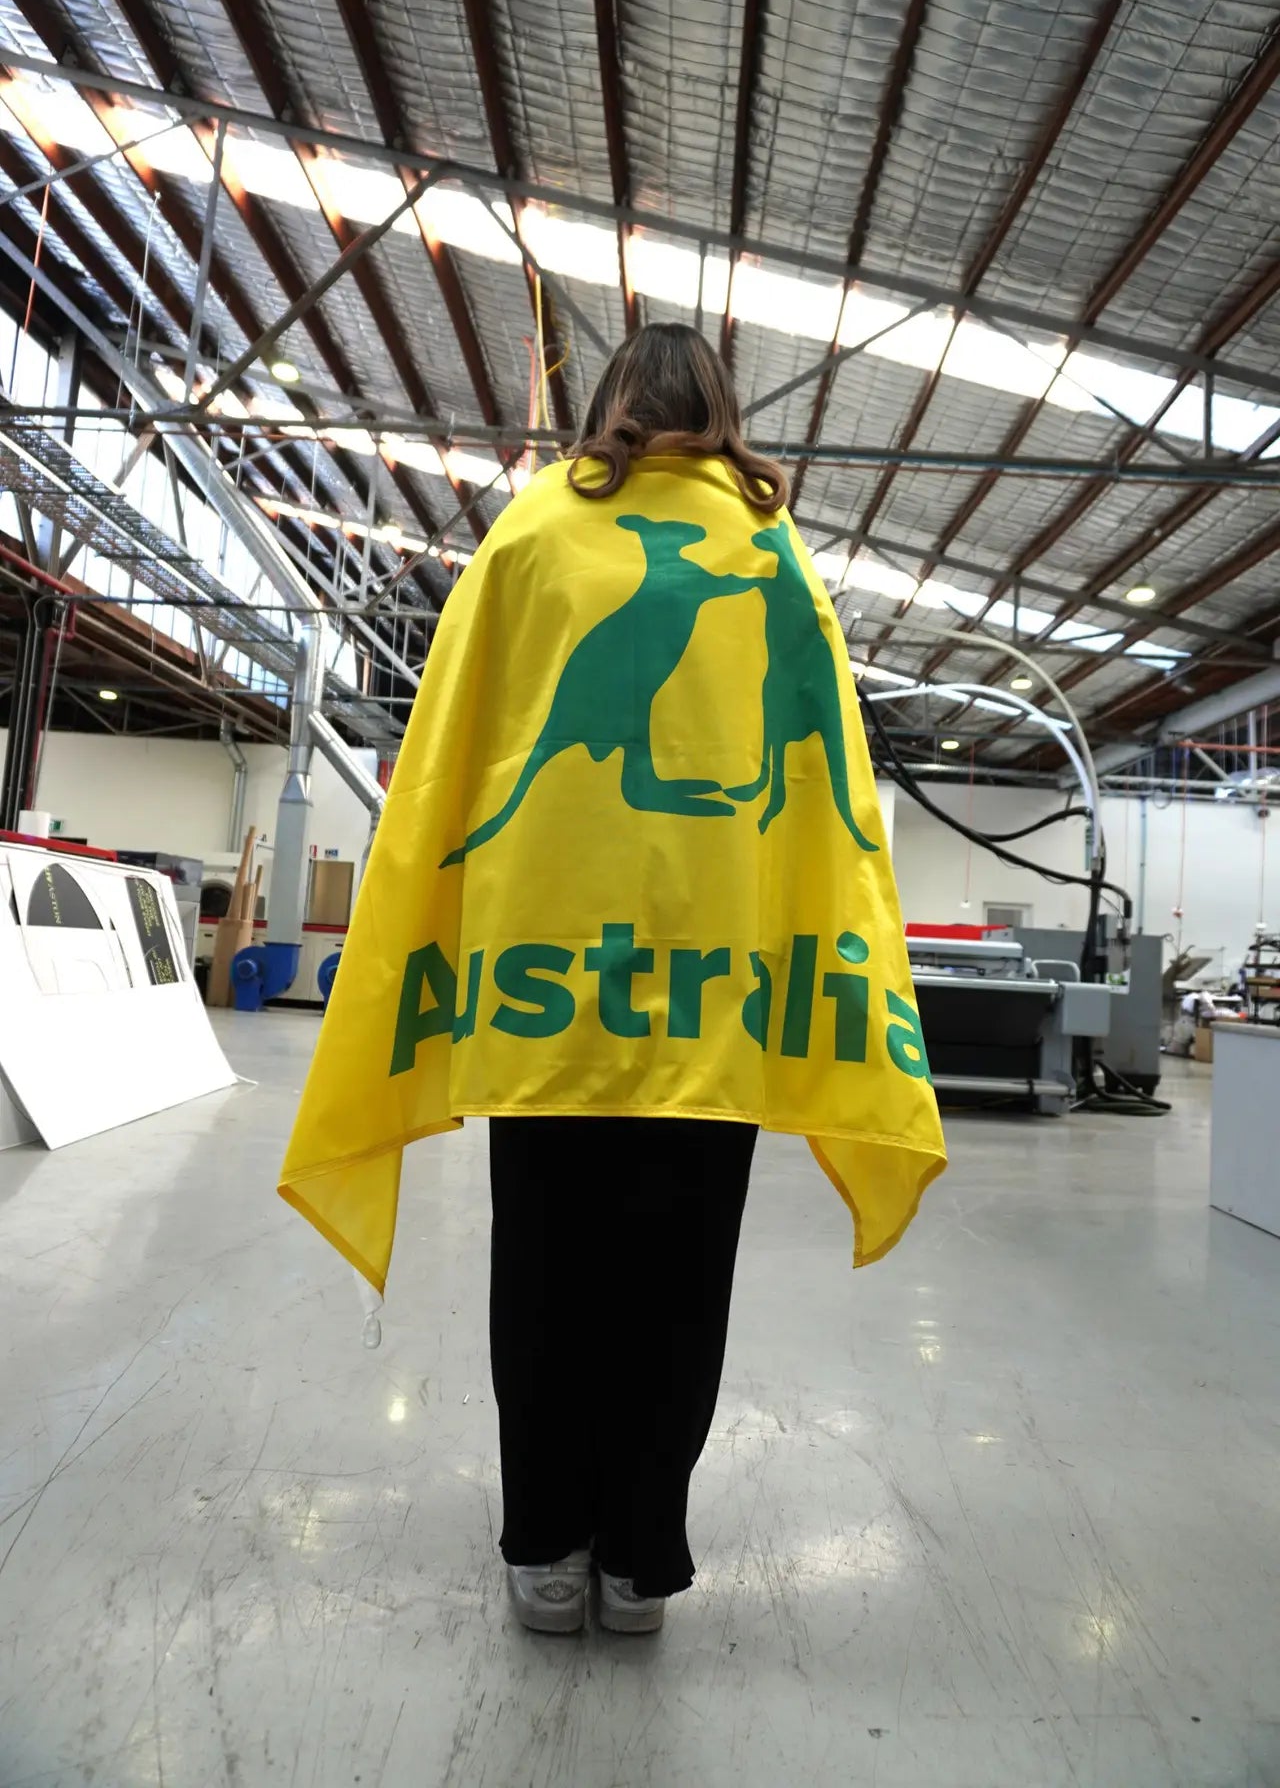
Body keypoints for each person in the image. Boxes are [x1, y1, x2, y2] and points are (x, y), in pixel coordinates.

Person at [278, 322, 946, 1640]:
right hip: (720, 1008)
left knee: (546, 1274)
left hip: (548, 998)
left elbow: (449, 756)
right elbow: (827, 791)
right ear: (723, 411)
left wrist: (437, 931)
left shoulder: (528, 539)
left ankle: (544, 1546)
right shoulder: (775, 554)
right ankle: (641, 1560)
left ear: (611, 411)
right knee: (677, 1285)